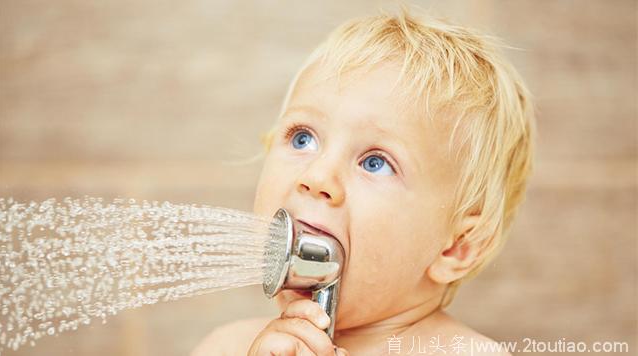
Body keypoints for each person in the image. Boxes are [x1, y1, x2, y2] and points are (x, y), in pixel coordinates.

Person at [193, 5, 534, 355]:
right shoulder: (227, 346)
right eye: (302, 139)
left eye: (374, 162)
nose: (318, 176)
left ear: (457, 246)